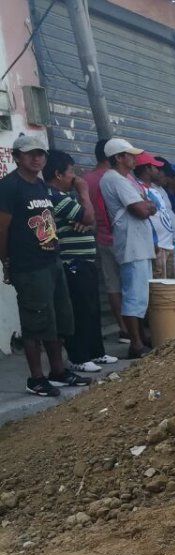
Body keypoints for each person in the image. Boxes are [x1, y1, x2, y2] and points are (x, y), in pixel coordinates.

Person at [0, 136, 91, 395]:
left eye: (40, 153)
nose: (37, 158)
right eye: (30, 154)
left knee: (59, 321)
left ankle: (58, 371)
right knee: (35, 324)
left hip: (52, 261)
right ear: (17, 157)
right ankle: (36, 379)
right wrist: (7, 263)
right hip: (28, 266)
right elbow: (2, 229)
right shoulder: (9, 187)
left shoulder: (41, 186)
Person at [44, 149, 116, 373]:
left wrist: (87, 219)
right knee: (80, 309)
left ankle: (96, 351)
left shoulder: (67, 197)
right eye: (71, 172)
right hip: (73, 262)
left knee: (92, 308)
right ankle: (78, 356)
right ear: (58, 174)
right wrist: (84, 193)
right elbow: (87, 216)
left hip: (85, 260)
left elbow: (89, 220)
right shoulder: (55, 196)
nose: (75, 177)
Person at [99, 138, 156, 359]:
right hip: (132, 244)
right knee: (134, 295)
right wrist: (147, 206)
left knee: (140, 295)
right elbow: (142, 209)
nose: (134, 159)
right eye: (129, 155)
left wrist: (147, 205)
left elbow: (147, 204)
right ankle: (136, 343)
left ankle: (140, 338)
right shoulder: (115, 180)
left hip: (138, 243)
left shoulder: (126, 179)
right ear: (119, 158)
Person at [84, 139, 126, 342]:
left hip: (102, 238)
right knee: (132, 284)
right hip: (123, 238)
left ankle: (124, 329)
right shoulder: (117, 177)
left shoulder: (87, 179)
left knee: (113, 286)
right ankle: (137, 330)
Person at [132, 153, 175, 280]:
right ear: (147, 169)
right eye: (155, 167)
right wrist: (152, 242)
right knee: (159, 287)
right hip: (157, 247)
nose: (158, 171)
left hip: (168, 245)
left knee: (171, 287)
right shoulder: (137, 187)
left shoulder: (154, 189)